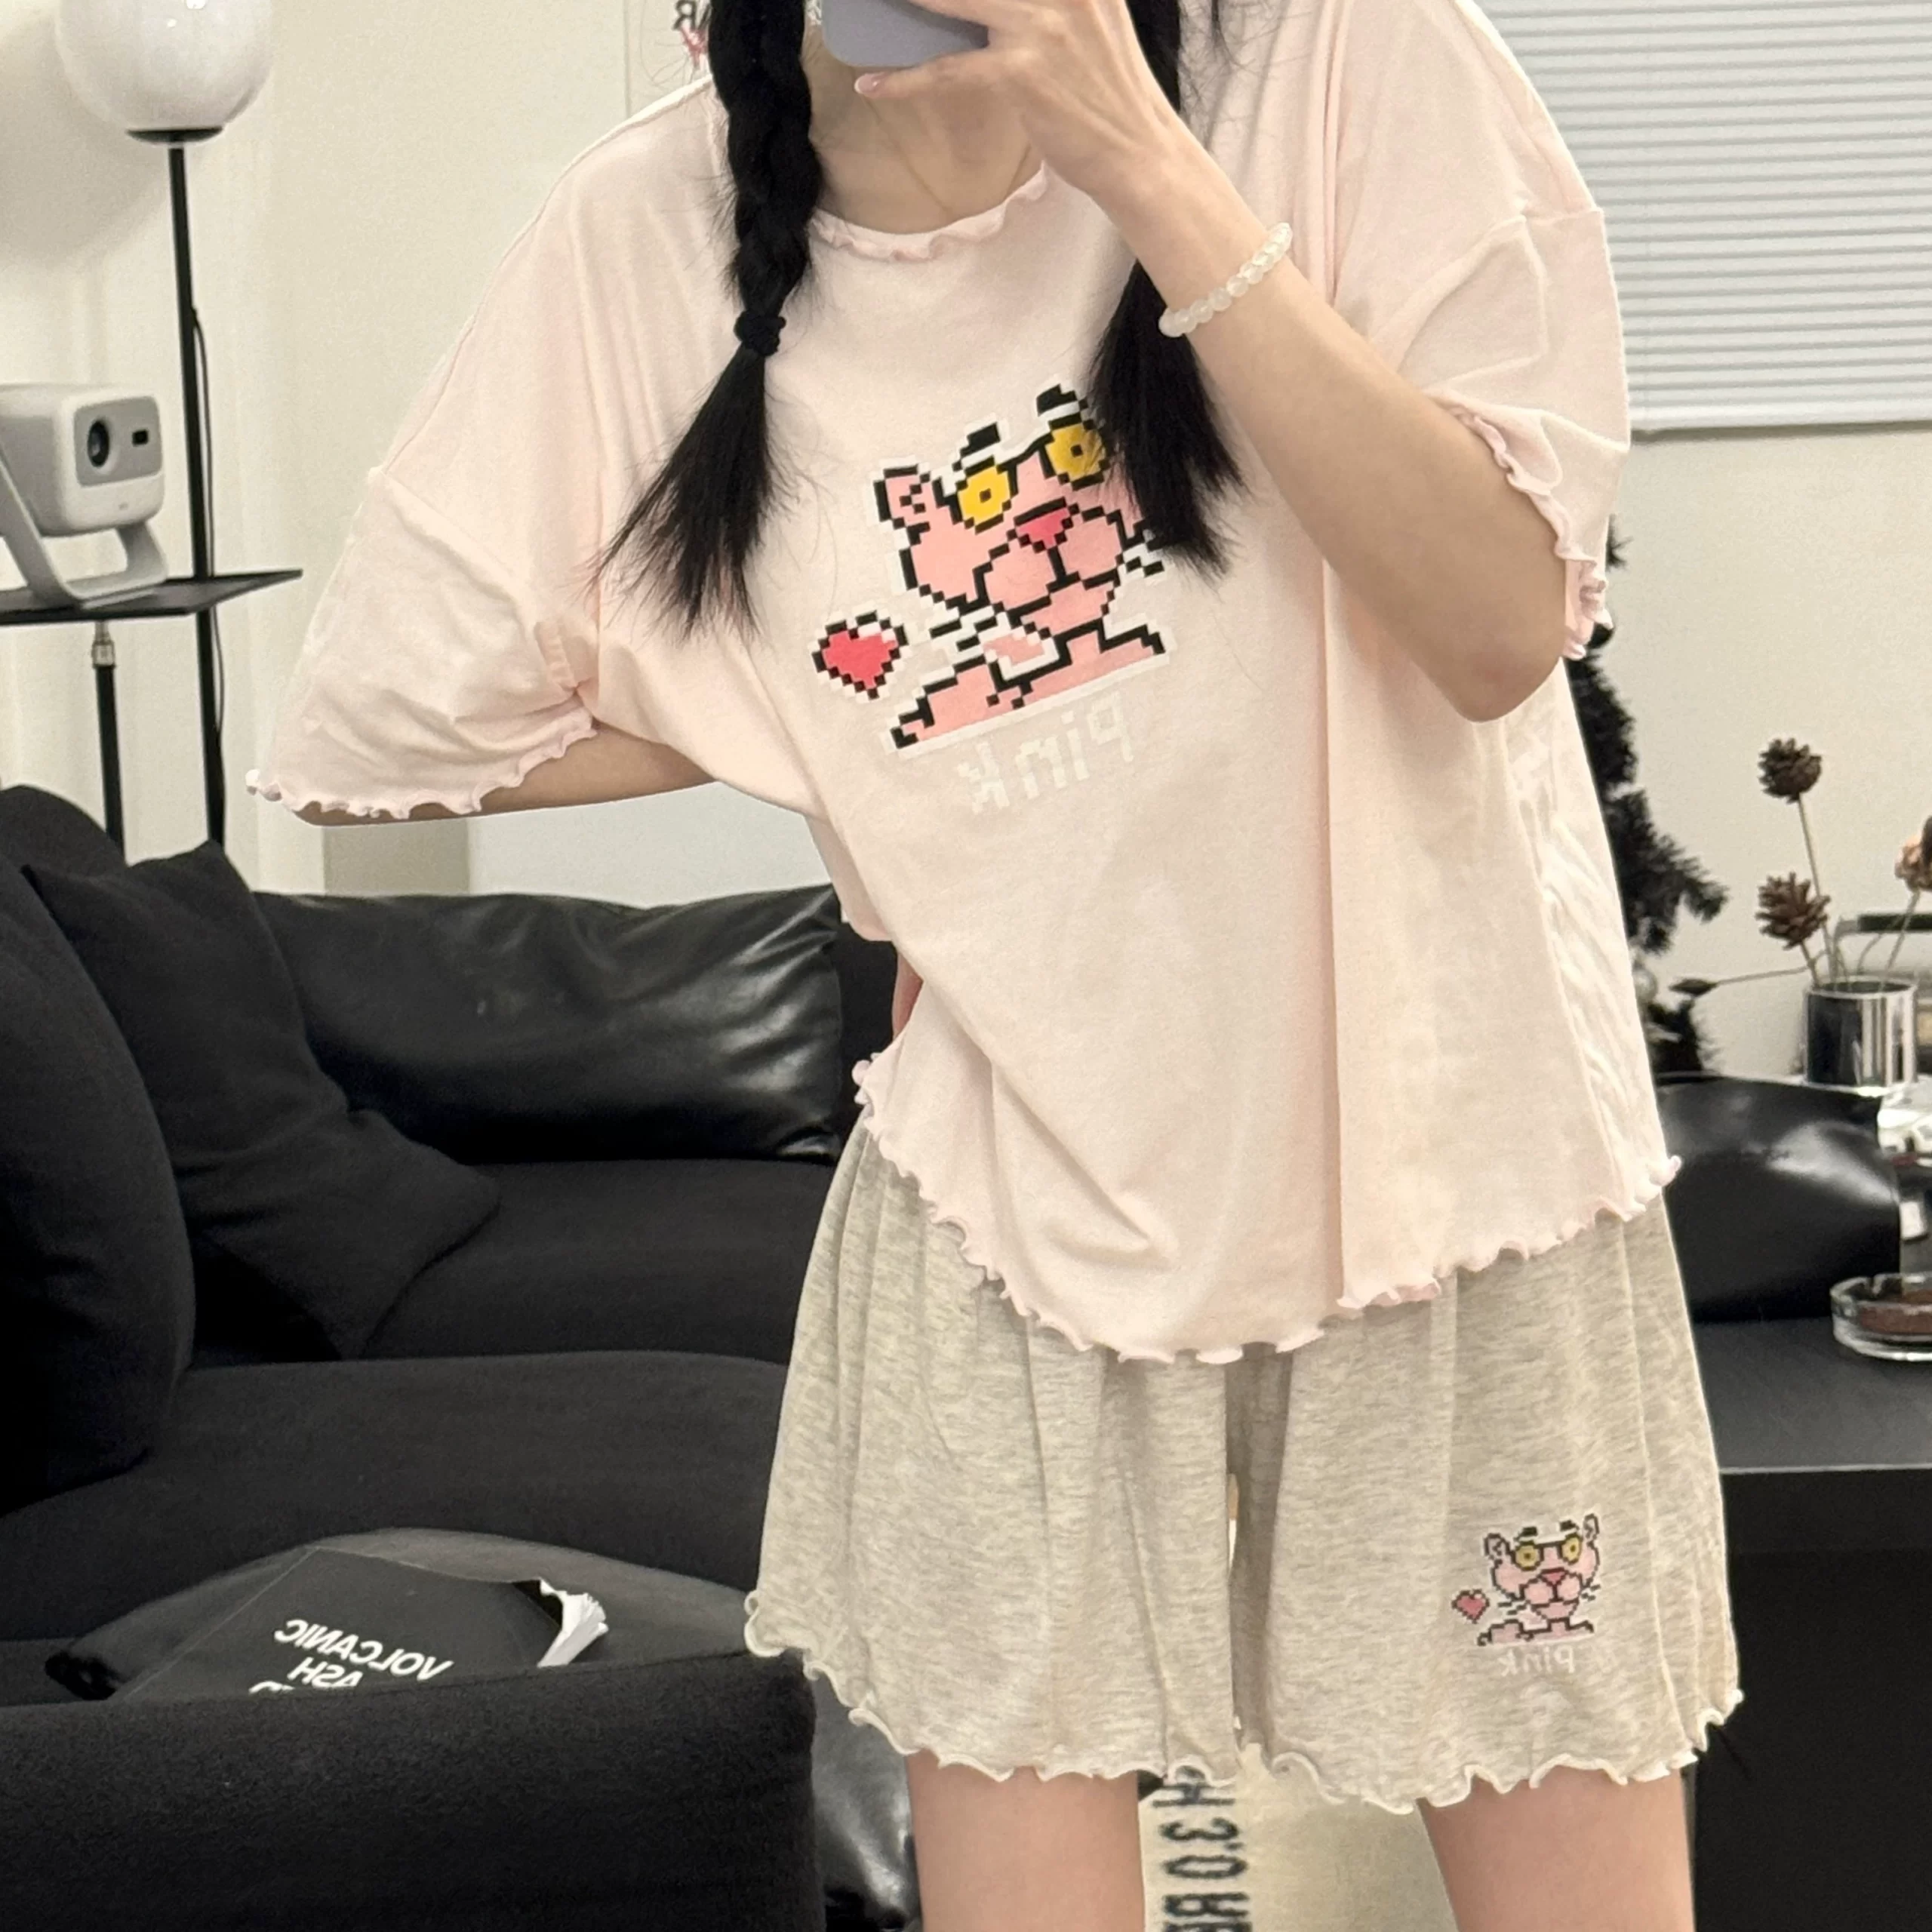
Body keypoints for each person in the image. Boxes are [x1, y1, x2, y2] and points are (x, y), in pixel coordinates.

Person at [248, 0, 1742, 1923]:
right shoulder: (649, 222)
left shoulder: (1333, 54)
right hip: (1008, 1177)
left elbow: (1492, 623)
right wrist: (864, 762)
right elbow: (392, 716)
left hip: (1447, 1145)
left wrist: (1140, 162)